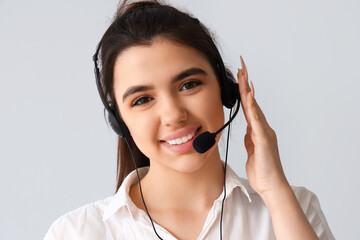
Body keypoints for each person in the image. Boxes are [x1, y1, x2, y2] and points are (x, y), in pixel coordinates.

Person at [44, 0, 335, 239]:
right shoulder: (77, 232)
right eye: (143, 100)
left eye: (188, 85)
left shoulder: (293, 208)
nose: (173, 115)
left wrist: (275, 191)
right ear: (119, 121)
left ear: (224, 86)